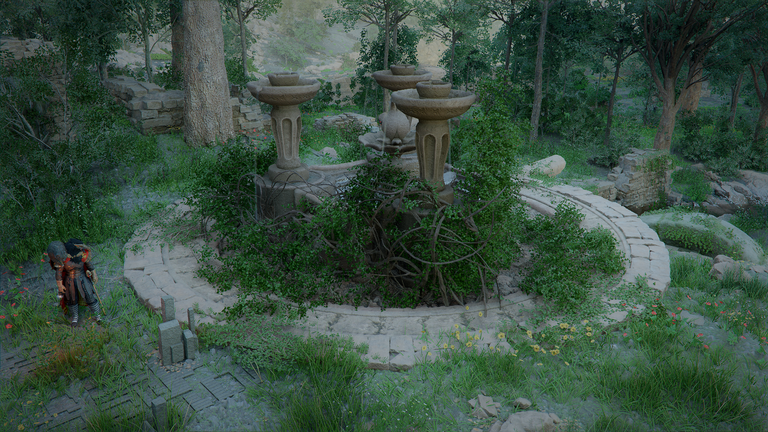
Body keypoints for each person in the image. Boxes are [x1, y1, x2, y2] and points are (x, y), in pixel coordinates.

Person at [47, 238, 102, 324]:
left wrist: (94, 273)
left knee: (89, 296)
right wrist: (60, 285)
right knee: (72, 300)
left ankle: (97, 315)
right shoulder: (62, 260)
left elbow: (89, 264)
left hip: (83, 278)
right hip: (69, 281)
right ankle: (75, 317)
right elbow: (59, 274)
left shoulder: (80, 254)